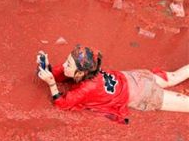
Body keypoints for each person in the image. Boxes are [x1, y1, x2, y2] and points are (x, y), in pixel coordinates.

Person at [36, 45, 189, 123]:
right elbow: (63, 72)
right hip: (136, 77)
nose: (63, 65)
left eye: (68, 63)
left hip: (143, 94)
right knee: (174, 76)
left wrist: (51, 84)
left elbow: (62, 104)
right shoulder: (89, 69)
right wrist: (48, 67)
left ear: (80, 73)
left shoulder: (86, 87)